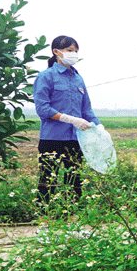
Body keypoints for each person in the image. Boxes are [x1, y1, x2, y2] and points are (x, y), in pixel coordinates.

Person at [33, 35, 100, 206]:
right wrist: (69, 119)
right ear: (56, 52)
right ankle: (44, 221)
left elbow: (86, 109)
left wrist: (100, 127)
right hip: (52, 138)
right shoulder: (46, 76)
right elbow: (43, 109)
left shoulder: (78, 79)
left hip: (75, 139)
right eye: (69, 51)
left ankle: (74, 223)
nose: (73, 54)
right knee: (48, 181)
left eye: (76, 51)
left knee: (75, 181)